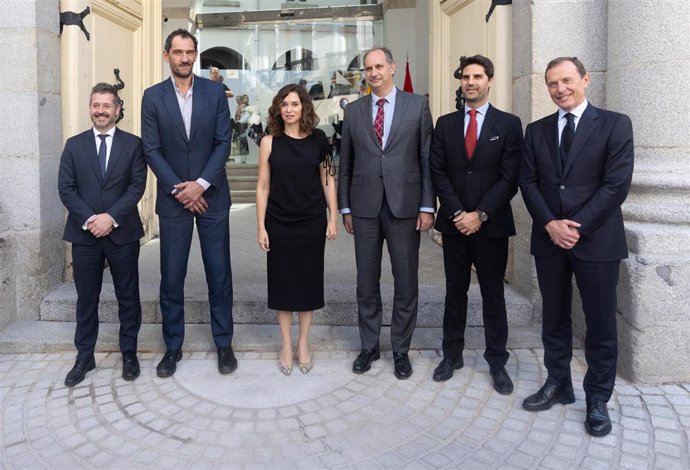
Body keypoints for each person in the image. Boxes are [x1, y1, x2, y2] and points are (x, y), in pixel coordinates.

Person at [519, 57, 634, 437]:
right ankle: (559, 384)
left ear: (585, 79)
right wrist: (551, 224)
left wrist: (575, 228)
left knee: (600, 325)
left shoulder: (616, 124)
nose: (560, 89)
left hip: (597, 242)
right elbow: (529, 183)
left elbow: (616, 185)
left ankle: (598, 398)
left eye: (567, 80)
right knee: (554, 319)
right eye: (552, 83)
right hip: (550, 240)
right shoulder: (536, 131)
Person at [141, 29, 237, 378]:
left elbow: (222, 143)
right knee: (172, 276)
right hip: (173, 201)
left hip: (211, 197)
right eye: (178, 52)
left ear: (196, 55)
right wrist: (180, 190)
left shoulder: (214, 92)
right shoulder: (152, 97)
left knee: (219, 274)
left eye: (190, 52)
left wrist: (199, 185)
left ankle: (224, 343)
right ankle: (172, 347)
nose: (184, 58)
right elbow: (151, 149)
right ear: (166, 55)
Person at [337, 46, 435, 379]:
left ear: (392, 68)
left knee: (406, 282)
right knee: (366, 282)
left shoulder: (417, 105)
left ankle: (401, 350)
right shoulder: (354, 111)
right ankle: (369, 346)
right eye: (368, 68)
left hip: (405, 206)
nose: (373, 72)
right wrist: (345, 207)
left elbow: (426, 159)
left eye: (379, 66)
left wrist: (427, 205)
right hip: (363, 208)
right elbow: (345, 162)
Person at [429, 55, 523, 394]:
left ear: (490, 81)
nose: (470, 82)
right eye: (466, 77)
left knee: (493, 295)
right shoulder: (446, 123)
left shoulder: (509, 124)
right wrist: (458, 213)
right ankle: (451, 355)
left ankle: (497, 362)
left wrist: (480, 215)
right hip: (455, 226)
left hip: (492, 227)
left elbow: (509, 178)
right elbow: (437, 172)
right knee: (455, 293)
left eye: (477, 76)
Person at [58, 83, 147, 386]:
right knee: (86, 298)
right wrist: (91, 219)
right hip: (85, 236)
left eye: (106, 105)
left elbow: (137, 186)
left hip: (122, 233)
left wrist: (110, 218)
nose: (100, 111)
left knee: (128, 296)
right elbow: (66, 189)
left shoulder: (133, 145)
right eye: (96, 105)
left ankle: (130, 352)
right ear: (90, 108)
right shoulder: (74, 145)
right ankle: (85, 356)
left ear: (118, 109)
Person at [256, 84, 338, 375]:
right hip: (279, 224)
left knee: (307, 284)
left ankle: (303, 343)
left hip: (311, 223)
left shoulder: (319, 140)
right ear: (278, 108)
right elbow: (263, 187)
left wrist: (333, 217)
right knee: (283, 285)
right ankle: (286, 345)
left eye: (294, 104)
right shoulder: (269, 142)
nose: (289, 109)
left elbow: (328, 180)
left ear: (304, 107)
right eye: (284, 104)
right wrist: (260, 227)